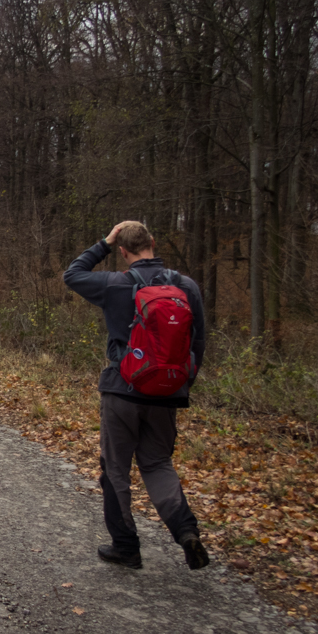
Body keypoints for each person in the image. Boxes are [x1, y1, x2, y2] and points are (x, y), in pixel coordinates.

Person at [63, 220, 210, 570]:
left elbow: (73, 274)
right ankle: (186, 531)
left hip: (121, 392)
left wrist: (104, 243)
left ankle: (126, 546)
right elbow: (199, 341)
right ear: (153, 243)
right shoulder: (185, 285)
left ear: (123, 250)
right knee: (158, 464)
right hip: (168, 392)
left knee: (115, 468)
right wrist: (181, 383)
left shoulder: (116, 283)